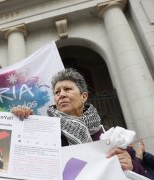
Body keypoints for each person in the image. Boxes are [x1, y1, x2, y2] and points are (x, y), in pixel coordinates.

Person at [12, 68, 147, 176]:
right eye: (57, 92)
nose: (61, 94)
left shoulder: (111, 136)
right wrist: (21, 123)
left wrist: (132, 166)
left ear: (84, 97)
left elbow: (145, 174)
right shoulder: (46, 135)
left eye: (68, 89)